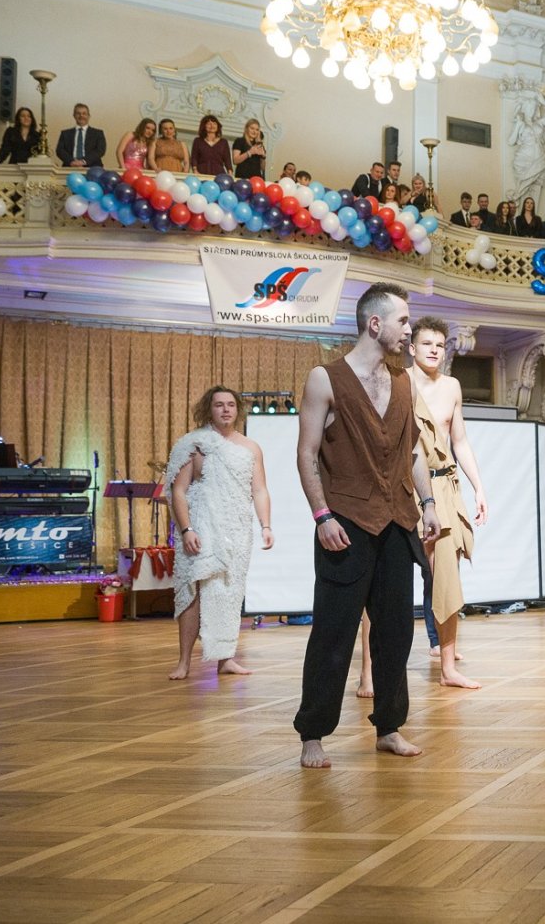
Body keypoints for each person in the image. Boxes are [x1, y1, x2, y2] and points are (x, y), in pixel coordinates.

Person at [293, 282, 439, 768]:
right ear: (375, 324)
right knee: (333, 633)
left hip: (397, 522)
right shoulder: (325, 378)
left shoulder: (404, 382)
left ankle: (389, 728)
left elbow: (413, 452)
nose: (410, 330)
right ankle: (313, 733)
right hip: (346, 524)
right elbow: (307, 454)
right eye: (403, 321)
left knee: (396, 633)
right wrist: (322, 516)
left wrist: (429, 503)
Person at [165, 386, 272, 680]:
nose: (225, 410)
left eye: (230, 405)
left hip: (236, 530)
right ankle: (184, 662)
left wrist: (265, 525)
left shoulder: (250, 448)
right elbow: (178, 490)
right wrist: (186, 529)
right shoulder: (193, 444)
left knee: (229, 591)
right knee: (193, 590)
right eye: (219, 405)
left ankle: (226, 658)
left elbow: (259, 490)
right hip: (200, 527)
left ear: (238, 410)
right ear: (208, 409)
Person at [405, 317, 487, 687]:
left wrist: (478, 487)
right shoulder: (399, 382)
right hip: (404, 487)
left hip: (443, 486)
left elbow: (460, 441)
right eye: (427, 343)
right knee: (385, 578)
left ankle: (448, 668)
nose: (434, 350)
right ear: (412, 347)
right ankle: (370, 672)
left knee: (446, 578)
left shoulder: (452, 386)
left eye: (440, 345)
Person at [55, 104, 106, 170]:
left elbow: (100, 150)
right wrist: (72, 162)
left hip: (93, 169)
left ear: (89, 116)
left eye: (84, 113)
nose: (81, 116)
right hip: (69, 167)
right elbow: (60, 150)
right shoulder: (65, 134)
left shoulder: (98, 133)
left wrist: (83, 161)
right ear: (74, 116)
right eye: (78, 113)